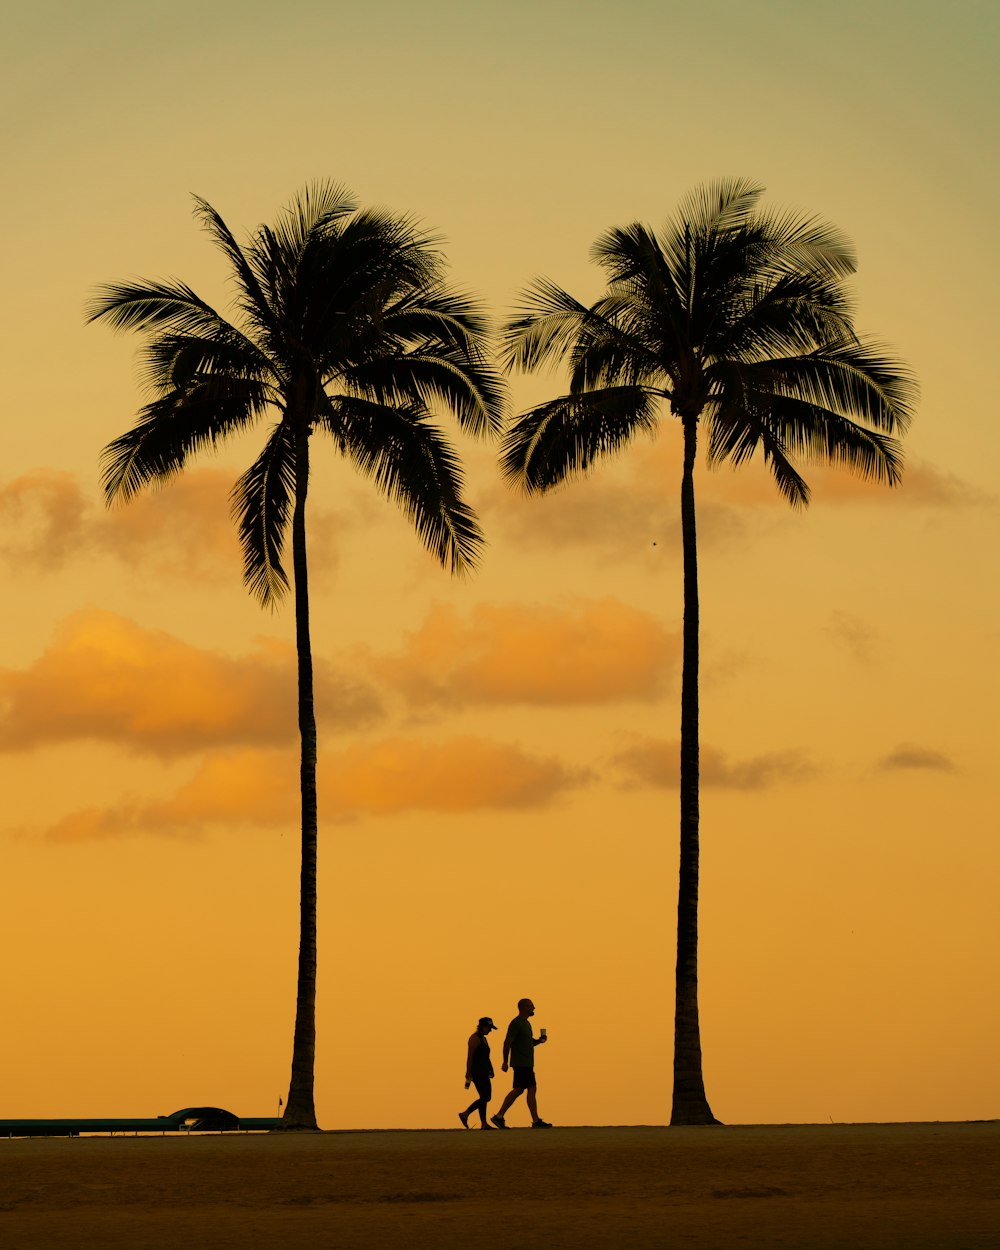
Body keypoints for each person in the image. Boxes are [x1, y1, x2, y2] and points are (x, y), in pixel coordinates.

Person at [490, 998, 551, 1128]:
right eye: (531, 1005)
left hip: (527, 1063)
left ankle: (502, 1117)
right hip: (521, 1063)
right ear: (524, 1007)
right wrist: (505, 1061)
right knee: (524, 1089)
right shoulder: (516, 1023)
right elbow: (507, 1042)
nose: (534, 1008)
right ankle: (501, 1116)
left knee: (524, 1089)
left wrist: (539, 1041)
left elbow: (528, 1043)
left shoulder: (526, 1024)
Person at [459, 1016, 497, 1129]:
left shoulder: (484, 1039)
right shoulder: (474, 1038)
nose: (490, 1030)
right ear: (482, 1027)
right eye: (489, 1028)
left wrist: (491, 1068)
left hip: (485, 1071)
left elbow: (486, 1056)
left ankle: (481, 1122)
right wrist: (468, 1072)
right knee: (484, 1097)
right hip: (477, 1072)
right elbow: (469, 1057)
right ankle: (466, 1115)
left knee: (486, 1097)